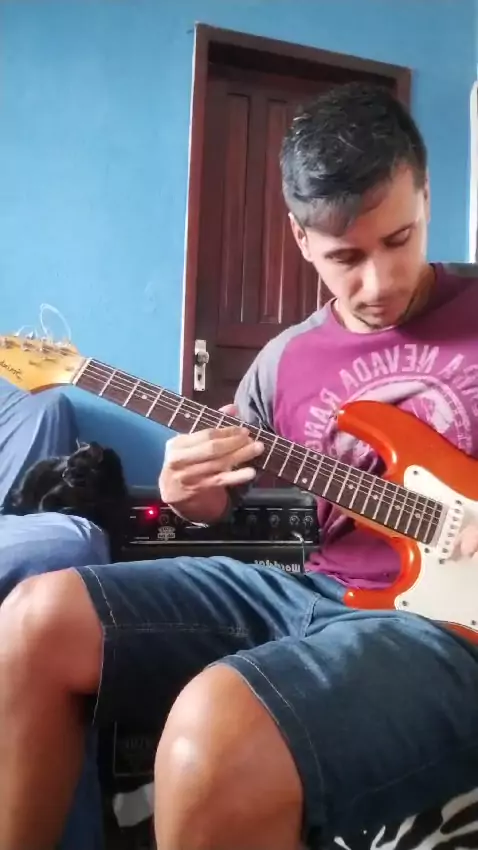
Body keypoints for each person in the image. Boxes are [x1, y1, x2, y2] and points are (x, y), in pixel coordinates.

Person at [2, 81, 478, 850]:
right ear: (301, 240)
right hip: (316, 591)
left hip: (450, 629)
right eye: (346, 257)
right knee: (34, 620)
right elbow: (218, 500)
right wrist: (187, 492)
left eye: (400, 239)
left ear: (425, 196)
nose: (380, 282)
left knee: (212, 734)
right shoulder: (283, 363)